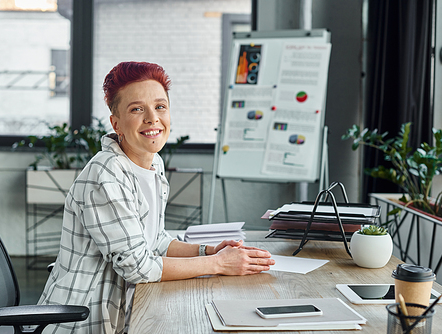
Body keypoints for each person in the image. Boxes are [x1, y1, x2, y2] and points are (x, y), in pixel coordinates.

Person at [37, 61, 275, 334]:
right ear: (116, 124)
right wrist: (219, 264)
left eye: (160, 106)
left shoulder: (153, 164)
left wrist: (209, 251)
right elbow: (137, 267)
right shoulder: (105, 174)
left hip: (129, 308)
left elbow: (155, 240)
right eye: (137, 109)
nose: (152, 118)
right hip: (84, 322)